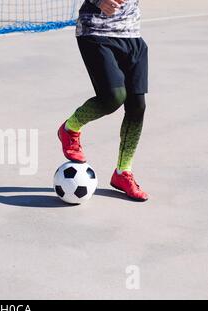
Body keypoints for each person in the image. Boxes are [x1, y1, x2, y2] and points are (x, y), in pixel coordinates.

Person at [58, 0, 149, 201]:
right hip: (95, 30)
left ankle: (123, 173)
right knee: (113, 97)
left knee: (137, 107)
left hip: (131, 33)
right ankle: (70, 127)